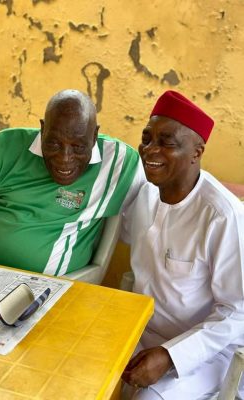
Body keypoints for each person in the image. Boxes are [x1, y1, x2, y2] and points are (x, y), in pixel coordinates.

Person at [121, 90, 244, 400]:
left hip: (202, 352)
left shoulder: (223, 216)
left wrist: (170, 355)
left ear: (196, 152)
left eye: (167, 142)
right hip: (139, 335)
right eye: (147, 139)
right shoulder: (145, 194)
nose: (150, 150)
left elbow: (237, 312)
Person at [0, 89, 145, 277]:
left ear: (94, 136)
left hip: (49, 288)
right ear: (43, 129)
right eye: (53, 144)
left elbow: (153, 221)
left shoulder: (120, 164)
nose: (64, 158)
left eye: (78, 147)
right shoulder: (3, 146)